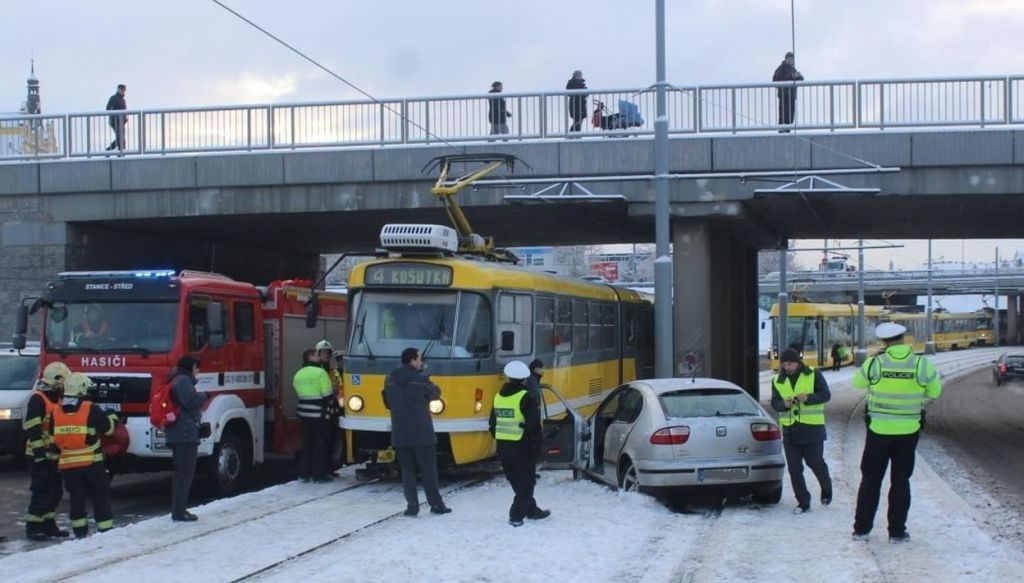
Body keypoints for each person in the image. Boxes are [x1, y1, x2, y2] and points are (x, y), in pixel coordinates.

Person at [852, 322, 942, 542]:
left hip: (878, 431)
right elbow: (936, 392)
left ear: (883, 341)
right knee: (901, 481)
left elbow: (857, 383)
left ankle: (862, 530)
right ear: (904, 339)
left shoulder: (875, 363)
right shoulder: (921, 364)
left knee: (871, 480)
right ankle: (897, 532)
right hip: (908, 432)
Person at [382, 347, 451, 516]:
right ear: (412, 361)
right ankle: (436, 504)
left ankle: (412, 506)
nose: (421, 362)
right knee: (428, 471)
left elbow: (387, 403)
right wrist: (428, 379)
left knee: (407, 472)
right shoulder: (421, 380)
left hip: (400, 433)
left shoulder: (390, 379)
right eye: (420, 359)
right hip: (422, 434)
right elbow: (436, 394)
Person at [50, 373, 119, 538]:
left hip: (68, 465)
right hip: (92, 463)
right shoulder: (89, 408)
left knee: (76, 498)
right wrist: (111, 415)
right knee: (99, 496)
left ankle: (80, 531)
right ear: (82, 389)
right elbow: (109, 429)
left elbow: (54, 440)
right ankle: (105, 528)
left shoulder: (56, 412)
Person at [770, 348, 833, 514]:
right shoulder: (777, 380)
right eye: (784, 364)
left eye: (789, 364)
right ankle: (803, 501)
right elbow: (774, 403)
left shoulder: (813, 374)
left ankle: (826, 489)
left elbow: (826, 395)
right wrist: (783, 404)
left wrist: (809, 398)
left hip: (812, 428)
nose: (787, 367)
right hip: (791, 430)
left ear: (797, 362)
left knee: (815, 463)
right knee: (794, 469)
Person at [489, 361, 550, 527]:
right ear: (524, 380)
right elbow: (533, 426)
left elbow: (492, 424)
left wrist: (501, 438)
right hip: (522, 447)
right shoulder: (526, 397)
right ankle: (516, 515)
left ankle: (532, 510)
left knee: (516, 480)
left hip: (503, 447)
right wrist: (536, 447)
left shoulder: (498, 397)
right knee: (527, 483)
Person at [23, 362, 73, 540]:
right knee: (42, 490)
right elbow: (33, 428)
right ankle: (34, 527)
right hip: (39, 455)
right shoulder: (38, 399)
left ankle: (49, 525)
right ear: (57, 381)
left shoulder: (57, 399)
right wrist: (39, 454)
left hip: (55, 455)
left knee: (55, 491)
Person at [166, 355, 209, 522]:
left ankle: (179, 509)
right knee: (184, 474)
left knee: (180, 473)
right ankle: (179, 511)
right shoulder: (183, 381)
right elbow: (190, 401)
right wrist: (205, 396)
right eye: (197, 367)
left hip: (179, 432)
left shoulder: (175, 378)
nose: (198, 371)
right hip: (184, 433)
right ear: (191, 367)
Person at [294, 348, 334, 482]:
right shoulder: (321, 372)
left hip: (304, 414)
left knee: (307, 444)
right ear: (310, 357)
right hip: (319, 414)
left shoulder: (298, 374)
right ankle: (318, 475)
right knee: (320, 444)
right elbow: (328, 394)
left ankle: (303, 474)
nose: (319, 357)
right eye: (317, 355)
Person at [772, 52, 803, 130]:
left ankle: (787, 131)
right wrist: (790, 76)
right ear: (785, 59)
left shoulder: (792, 69)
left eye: (791, 59)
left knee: (790, 117)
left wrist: (798, 76)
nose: (790, 60)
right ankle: (782, 132)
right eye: (788, 59)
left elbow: (801, 79)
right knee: (783, 117)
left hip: (791, 96)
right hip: (784, 96)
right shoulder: (781, 68)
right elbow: (776, 80)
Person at [105, 84, 127, 151]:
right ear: (118, 89)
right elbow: (108, 108)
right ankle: (109, 151)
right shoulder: (114, 98)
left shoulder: (123, 100)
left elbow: (124, 110)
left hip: (121, 122)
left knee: (121, 139)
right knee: (120, 139)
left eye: (124, 90)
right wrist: (114, 115)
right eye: (121, 90)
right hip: (115, 122)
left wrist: (125, 119)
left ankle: (120, 153)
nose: (123, 91)